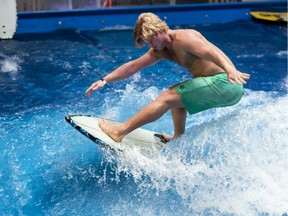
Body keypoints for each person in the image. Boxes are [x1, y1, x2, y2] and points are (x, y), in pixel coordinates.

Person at [85, 12, 250, 143]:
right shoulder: (161, 50)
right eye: (147, 42)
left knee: (166, 97)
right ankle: (178, 137)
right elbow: (133, 66)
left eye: (150, 40)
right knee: (176, 95)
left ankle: (119, 131)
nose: (150, 45)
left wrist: (230, 70)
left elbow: (212, 52)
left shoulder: (185, 38)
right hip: (225, 86)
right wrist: (104, 80)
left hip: (227, 82)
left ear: (159, 30)